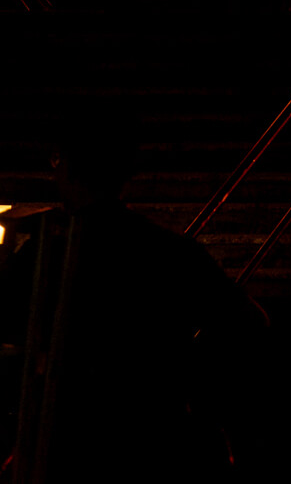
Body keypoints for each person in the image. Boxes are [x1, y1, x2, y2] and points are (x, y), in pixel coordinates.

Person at [0, 103, 268, 479]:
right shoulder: (169, 251)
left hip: (69, 444)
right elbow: (249, 323)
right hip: (154, 442)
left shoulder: (46, 251)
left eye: (56, 159)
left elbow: (9, 333)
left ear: (66, 165)